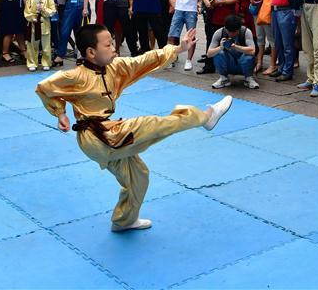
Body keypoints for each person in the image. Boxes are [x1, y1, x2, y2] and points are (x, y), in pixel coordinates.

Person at [35, 25, 233, 232]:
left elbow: (144, 60)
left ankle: (124, 220)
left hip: (109, 135)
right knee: (152, 124)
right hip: (99, 137)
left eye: (113, 42)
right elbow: (43, 88)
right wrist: (60, 113)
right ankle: (205, 117)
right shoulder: (75, 76)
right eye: (108, 45)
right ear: (91, 52)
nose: (114, 47)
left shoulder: (115, 67)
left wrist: (178, 49)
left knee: (138, 175)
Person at [262, 0, 301, 82]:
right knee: (278, 42)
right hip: (275, 11)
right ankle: (281, 67)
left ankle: (287, 71)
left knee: (287, 43)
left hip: (287, 11)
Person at [208, 14, 258, 89]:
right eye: (229, 31)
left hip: (243, 63)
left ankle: (248, 78)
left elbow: (253, 51)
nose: (232, 34)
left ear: (239, 28)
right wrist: (220, 47)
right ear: (225, 28)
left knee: (249, 56)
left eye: (234, 32)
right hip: (229, 63)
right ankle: (224, 78)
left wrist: (236, 47)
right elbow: (209, 54)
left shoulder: (246, 32)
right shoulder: (219, 33)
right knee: (218, 53)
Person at [25, 0, 56, 72]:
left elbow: (52, 11)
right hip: (33, 25)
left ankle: (46, 62)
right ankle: (32, 63)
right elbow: (26, 12)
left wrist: (43, 9)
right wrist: (32, 18)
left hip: (45, 25)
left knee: (46, 46)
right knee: (32, 45)